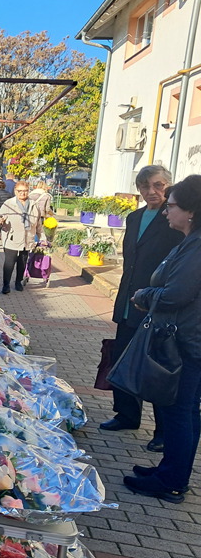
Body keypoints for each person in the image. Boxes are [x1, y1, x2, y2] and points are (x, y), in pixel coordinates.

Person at [124, 174, 201, 504]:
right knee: (185, 411)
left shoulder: (197, 247)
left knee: (179, 411)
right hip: (187, 338)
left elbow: (176, 294)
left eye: (172, 206)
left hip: (186, 343)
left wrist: (145, 294)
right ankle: (171, 471)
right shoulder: (190, 241)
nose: (167, 211)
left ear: (191, 211)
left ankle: (171, 481)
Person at [101, 165, 184, 450]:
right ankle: (126, 415)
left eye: (158, 185)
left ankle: (163, 431)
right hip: (129, 302)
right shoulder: (134, 217)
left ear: (169, 186)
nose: (152, 191)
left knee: (156, 368)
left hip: (156, 304)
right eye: (145, 186)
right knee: (123, 359)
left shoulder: (173, 220)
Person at [0, 182, 43, 294]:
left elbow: (39, 224)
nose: (22, 193)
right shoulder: (9, 203)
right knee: (9, 262)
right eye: (20, 191)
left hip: (27, 238)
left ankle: (18, 282)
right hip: (11, 237)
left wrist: (42, 237)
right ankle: (6, 284)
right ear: (15, 191)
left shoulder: (34, 205)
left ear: (28, 191)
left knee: (22, 262)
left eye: (25, 190)